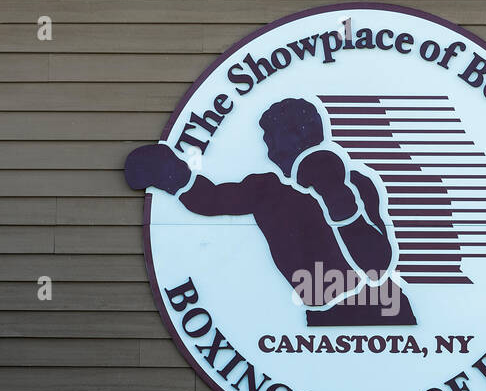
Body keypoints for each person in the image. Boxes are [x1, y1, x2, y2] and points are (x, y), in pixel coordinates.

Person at [125, 97, 416, 325]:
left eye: (274, 137)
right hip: (320, 315)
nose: (269, 149)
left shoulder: (356, 183)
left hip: (383, 308)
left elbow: (377, 263)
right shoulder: (267, 189)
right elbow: (211, 199)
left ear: (300, 136)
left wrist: (335, 194)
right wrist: (169, 173)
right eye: (267, 138)